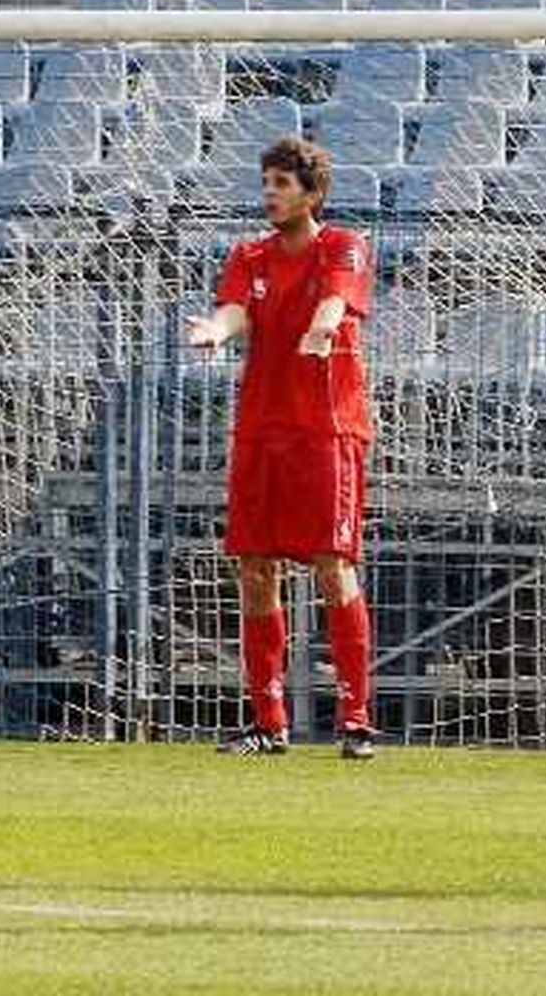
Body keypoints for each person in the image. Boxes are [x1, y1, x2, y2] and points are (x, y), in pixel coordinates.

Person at [186, 137, 379, 761]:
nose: (269, 194)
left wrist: (325, 328)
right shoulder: (250, 254)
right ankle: (268, 723)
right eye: (266, 183)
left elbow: (335, 300)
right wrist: (215, 330)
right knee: (253, 568)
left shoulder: (343, 245)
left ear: (313, 193)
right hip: (261, 432)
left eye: (282, 184)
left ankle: (355, 718)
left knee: (332, 563)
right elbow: (235, 309)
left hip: (326, 431)